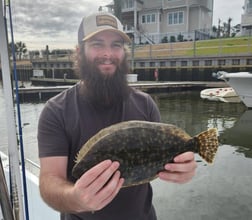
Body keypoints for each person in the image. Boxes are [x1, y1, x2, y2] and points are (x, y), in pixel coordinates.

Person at [38, 12, 197, 220]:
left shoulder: (146, 105)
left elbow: (160, 159)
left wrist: (182, 167)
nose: (108, 54)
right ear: (79, 52)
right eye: (97, 44)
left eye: (116, 45)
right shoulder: (56, 111)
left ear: (124, 52)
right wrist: (75, 198)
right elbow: (50, 180)